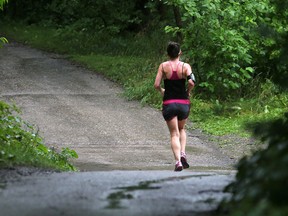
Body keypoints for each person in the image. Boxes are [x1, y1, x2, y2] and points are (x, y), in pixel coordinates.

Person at [154, 41, 195, 171]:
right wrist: (187, 92)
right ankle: (183, 153)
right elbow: (192, 82)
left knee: (174, 134)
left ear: (167, 53)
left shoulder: (163, 66)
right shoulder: (185, 66)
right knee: (182, 129)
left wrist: (162, 91)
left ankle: (178, 162)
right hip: (183, 103)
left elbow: (156, 84)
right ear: (180, 53)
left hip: (169, 103)